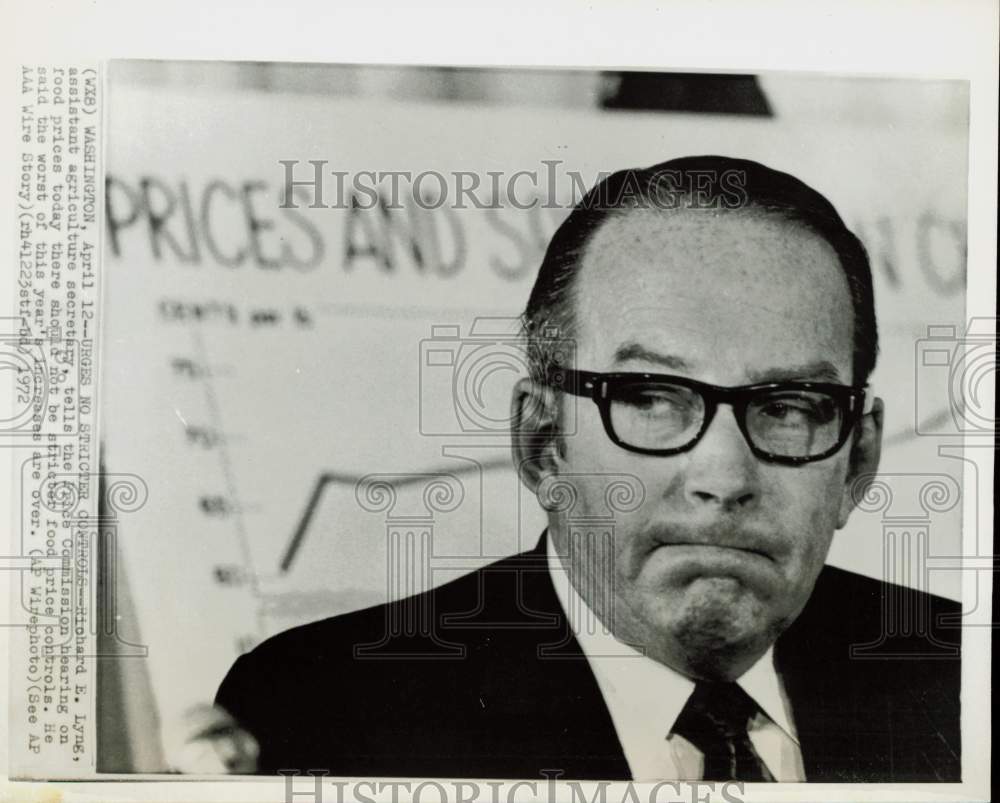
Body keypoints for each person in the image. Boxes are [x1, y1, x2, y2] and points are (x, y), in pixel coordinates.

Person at [210, 156, 960, 782]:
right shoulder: (321, 715)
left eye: (790, 405)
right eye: (652, 398)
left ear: (857, 460)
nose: (725, 476)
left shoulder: (963, 680)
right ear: (543, 444)